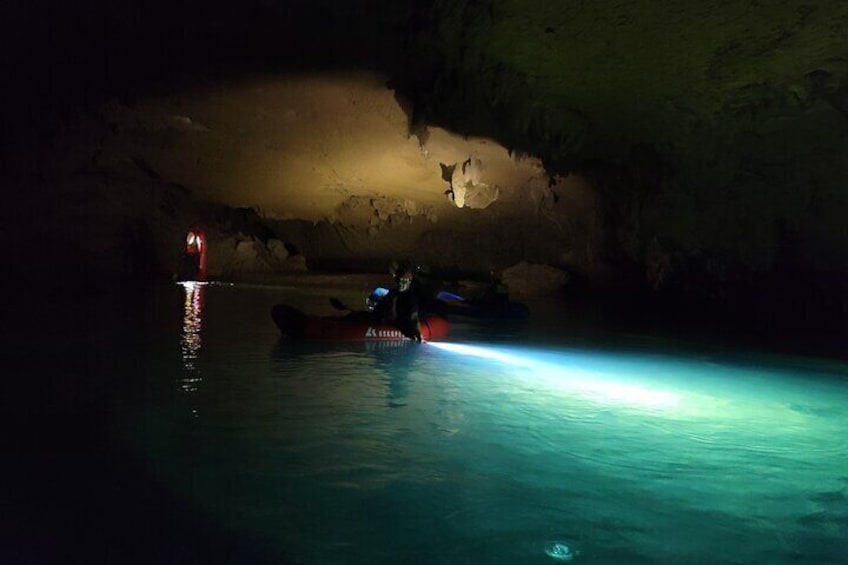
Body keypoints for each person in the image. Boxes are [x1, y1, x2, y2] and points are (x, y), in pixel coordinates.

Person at [375, 259, 422, 341]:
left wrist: (418, 334)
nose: (401, 283)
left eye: (404, 281)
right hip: (388, 319)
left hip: (399, 321)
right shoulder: (393, 293)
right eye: (399, 280)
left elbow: (414, 316)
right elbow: (381, 307)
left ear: (409, 281)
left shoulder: (411, 296)